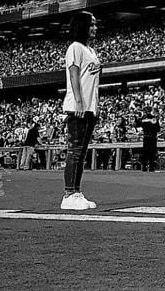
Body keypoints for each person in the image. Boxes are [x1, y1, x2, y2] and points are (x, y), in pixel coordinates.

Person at [61, 11, 101, 211]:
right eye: (91, 24)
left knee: (82, 153)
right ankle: (69, 193)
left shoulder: (91, 50)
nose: (95, 28)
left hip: (89, 108)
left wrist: (93, 106)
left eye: (95, 24)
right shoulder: (75, 48)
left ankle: (77, 191)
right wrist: (78, 101)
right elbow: (74, 75)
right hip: (77, 107)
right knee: (75, 151)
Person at [135, 106, 161, 173]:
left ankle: (144, 167)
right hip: (152, 137)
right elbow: (158, 129)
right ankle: (151, 167)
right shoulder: (154, 118)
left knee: (145, 153)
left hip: (146, 137)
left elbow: (137, 125)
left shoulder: (143, 119)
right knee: (152, 153)